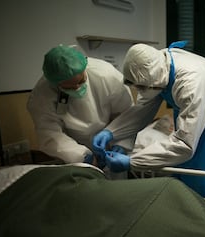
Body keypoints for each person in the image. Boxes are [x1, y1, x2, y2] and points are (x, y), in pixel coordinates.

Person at [92, 41, 205, 214]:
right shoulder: (155, 66)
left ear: (155, 81)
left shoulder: (190, 83)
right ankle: (194, 224)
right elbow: (142, 110)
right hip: (203, 101)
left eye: (141, 87)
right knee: (187, 173)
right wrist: (111, 132)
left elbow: (184, 144)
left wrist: (132, 162)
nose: (139, 91)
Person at [27, 45, 135, 176]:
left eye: (81, 81)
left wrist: (121, 144)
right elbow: (49, 133)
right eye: (70, 87)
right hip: (72, 153)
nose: (77, 88)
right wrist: (81, 156)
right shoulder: (42, 94)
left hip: (111, 144)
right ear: (55, 83)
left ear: (85, 67)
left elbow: (127, 115)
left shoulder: (107, 76)